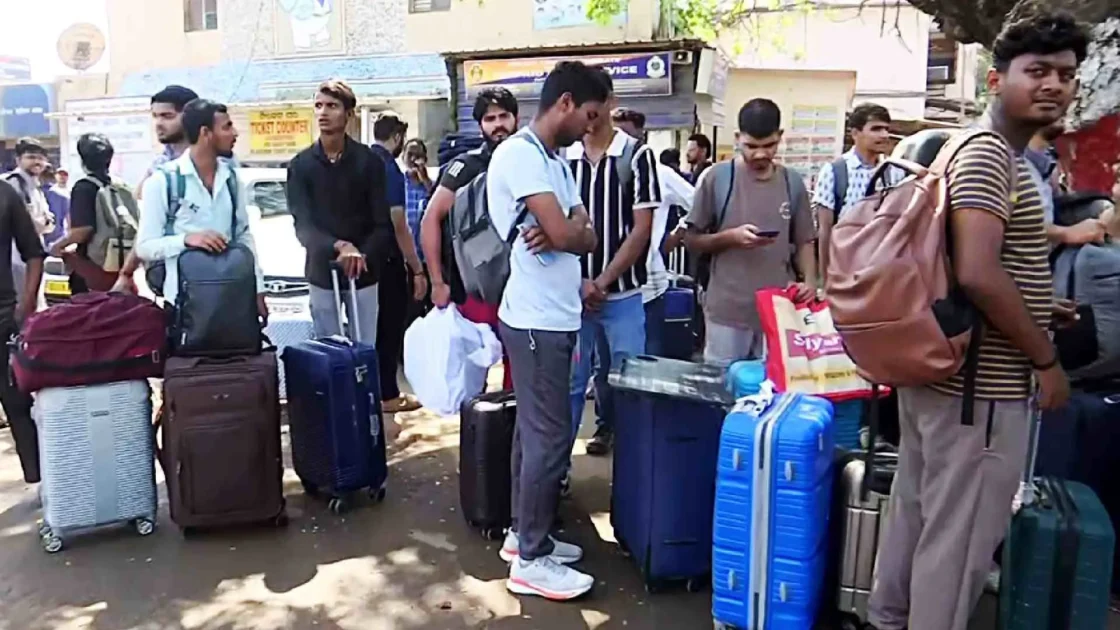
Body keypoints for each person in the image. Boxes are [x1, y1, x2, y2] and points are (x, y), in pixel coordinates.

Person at [865, 13, 1085, 630]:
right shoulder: (992, 155)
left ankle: (888, 621)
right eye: (1036, 71)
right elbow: (980, 272)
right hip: (978, 393)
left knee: (917, 516)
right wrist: (1045, 359)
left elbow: (976, 260)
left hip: (940, 378)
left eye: (1065, 74)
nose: (1053, 85)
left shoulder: (966, 144)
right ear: (996, 79)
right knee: (958, 545)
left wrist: (1042, 306)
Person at [487, 60, 603, 600]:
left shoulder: (553, 161)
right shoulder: (520, 155)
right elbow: (565, 229)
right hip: (535, 321)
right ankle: (531, 559)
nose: (592, 126)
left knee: (536, 435)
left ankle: (522, 537)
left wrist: (567, 233)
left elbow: (587, 234)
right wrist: (566, 232)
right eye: (589, 114)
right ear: (564, 103)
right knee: (548, 436)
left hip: (554, 317)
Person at [683, 99, 817, 366]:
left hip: (780, 311)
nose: (760, 154)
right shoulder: (717, 179)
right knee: (724, 391)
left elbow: (805, 240)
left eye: (769, 146)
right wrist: (730, 238)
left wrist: (810, 283)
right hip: (727, 311)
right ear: (737, 139)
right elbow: (691, 240)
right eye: (751, 146)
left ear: (780, 138)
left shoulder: (792, 183)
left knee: (773, 392)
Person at [564, 98, 658, 459]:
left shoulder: (636, 156)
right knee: (571, 384)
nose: (582, 115)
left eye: (589, 105)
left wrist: (601, 282)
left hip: (622, 297)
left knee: (630, 383)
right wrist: (579, 283)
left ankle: (635, 474)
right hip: (571, 297)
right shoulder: (564, 157)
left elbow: (641, 230)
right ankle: (560, 475)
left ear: (607, 103)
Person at [421, 87, 520, 389]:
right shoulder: (464, 167)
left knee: (518, 382)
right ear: (480, 125)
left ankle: (514, 437)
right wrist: (437, 283)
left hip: (521, 291)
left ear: (517, 118)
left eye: (504, 116)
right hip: (473, 291)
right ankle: (476, 435)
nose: (498, 124)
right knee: (469, 381)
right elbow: (430, 221)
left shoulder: (529, 162)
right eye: (490, 118)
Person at [286, 80, 395, 354]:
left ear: (348, 114)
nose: (323, 113)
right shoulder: (301, 165)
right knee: (329, 352)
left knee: (364, 348)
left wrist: (361, 255)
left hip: (365, 273)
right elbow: (304, 227)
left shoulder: (369, 162)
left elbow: (382, 224)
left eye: (332, 106)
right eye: (318, 106)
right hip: (322, 272)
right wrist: (338, 247)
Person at [136, 99, 266, 320]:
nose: (234, 134)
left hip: (233, 299)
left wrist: (258, 289)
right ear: (206, 133)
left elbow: (244, 236)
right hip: (184, 305)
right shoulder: (163, 181)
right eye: (226, 127)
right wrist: (186, 239)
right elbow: (145, 247)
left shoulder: (232, 179)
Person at [370, 115, 425, 414]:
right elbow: (398, 222)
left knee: (371, 330)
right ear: (396, 137)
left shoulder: (362, 160)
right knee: (390, 329)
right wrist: (416, 267)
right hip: (388, 259)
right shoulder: (388, 168)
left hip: (363, 259)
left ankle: (374, 392)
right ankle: (389, 395)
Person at [814, 103, 892, 282]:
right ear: (855, 133)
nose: (884, 135)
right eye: (876, 129)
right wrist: (825, 280)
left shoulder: (893, 171)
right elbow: (825, 230)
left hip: (882, 271)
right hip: (844, 269)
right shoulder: (835, 171)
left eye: (886, 129)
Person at [0, 171, 45, 477]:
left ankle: (44, 482)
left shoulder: (4, 194)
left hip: (4, 316)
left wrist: (27, 303)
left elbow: (34, 252)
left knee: (17, 403)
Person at [50, 133, 117, 294]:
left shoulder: (83, 187)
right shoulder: (116, 185)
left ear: (82, 160)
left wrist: (57, 246)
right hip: (117, 262)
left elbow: (82, 231)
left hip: (92, 268)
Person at [3, 137, 53, 307]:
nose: (37, 162)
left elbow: (47, 223)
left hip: (32, 258)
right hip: (14, 259)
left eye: (41, 158)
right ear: (18, 160)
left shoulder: (34, 186)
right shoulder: (12, 184)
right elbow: (29, 224)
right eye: (31, 157)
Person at [137, 85, 199, 198]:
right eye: (155, 116)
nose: (159, 123)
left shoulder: (214, 159)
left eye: (167, 116)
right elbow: (139, 202)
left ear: (191, 117)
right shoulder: (160, 163)